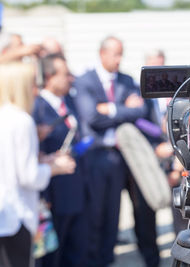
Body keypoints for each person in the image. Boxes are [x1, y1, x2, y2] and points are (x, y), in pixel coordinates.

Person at [73, 36, 157, 267]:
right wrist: (121, 111)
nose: (119, 59)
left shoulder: (127, 80)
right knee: (95, 214)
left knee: (113, 214)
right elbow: (91, 117)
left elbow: (139, 111)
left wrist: (109, 109)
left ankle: (107, 259)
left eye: (122, 53)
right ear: (102, 53)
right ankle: (93, 260)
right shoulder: (85, 81)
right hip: (97, 155)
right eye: (115, 54)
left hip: (121, 157)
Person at [0, 62, 75, 267]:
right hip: (17, 215)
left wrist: (43, 160)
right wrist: (56, 167)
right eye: (32, 83)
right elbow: (29, 176)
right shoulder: (22, 120)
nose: (37, 89)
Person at [33, 54, 89, 267]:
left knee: (75, 251)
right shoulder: (37, 108)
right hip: (54, 195)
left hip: (77, 189)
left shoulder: (69, 102)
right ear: (49, 76)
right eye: (65, 74)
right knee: (54, 257)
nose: (71, 78)